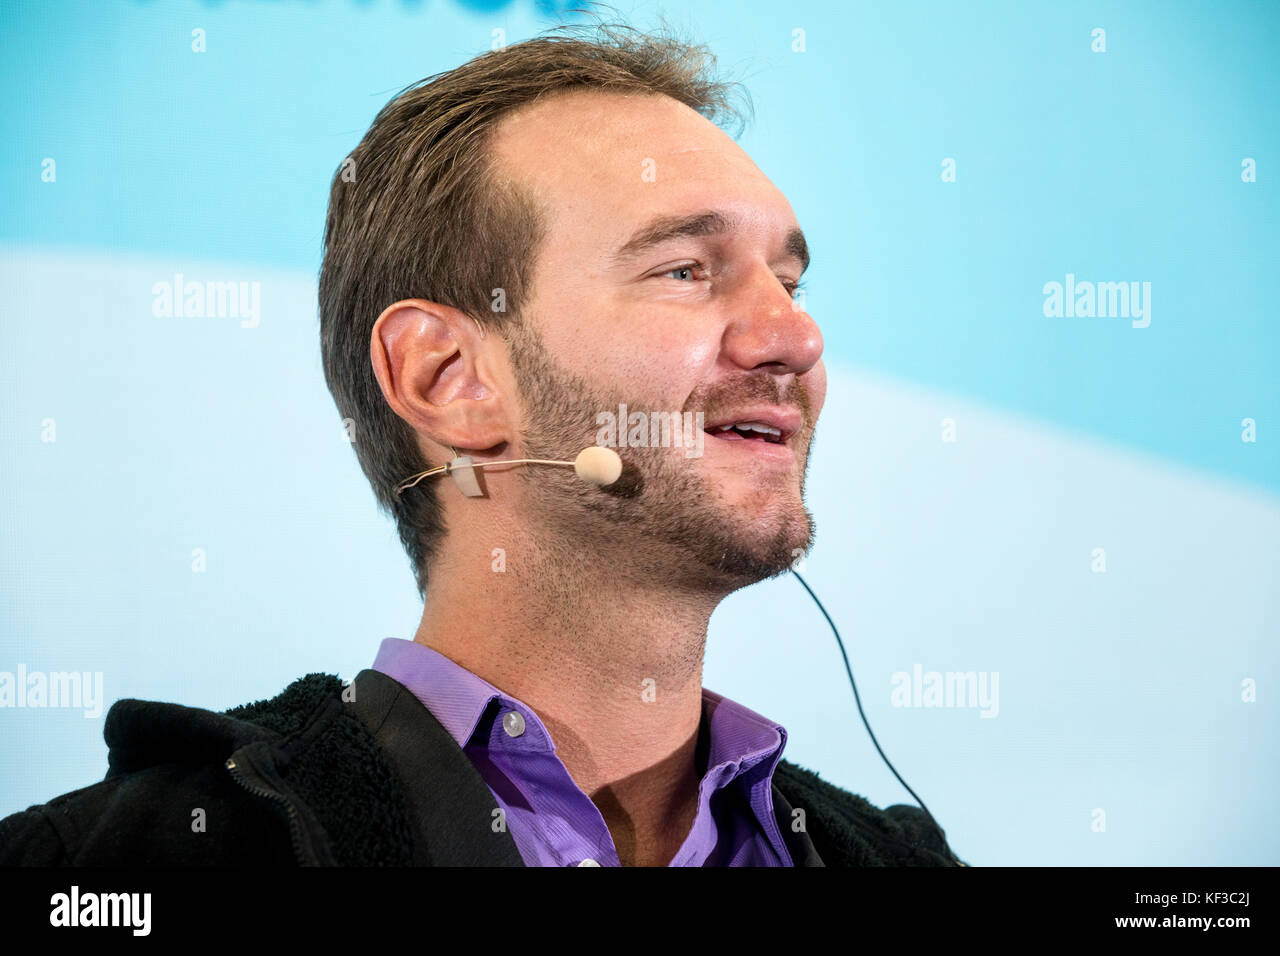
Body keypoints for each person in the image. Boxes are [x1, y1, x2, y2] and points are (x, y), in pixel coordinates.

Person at [0, 20, 960, 867]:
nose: (795, 338)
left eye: (789, 282)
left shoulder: (892, 858)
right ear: (445, 379)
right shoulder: (120, 862)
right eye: (684, 270)